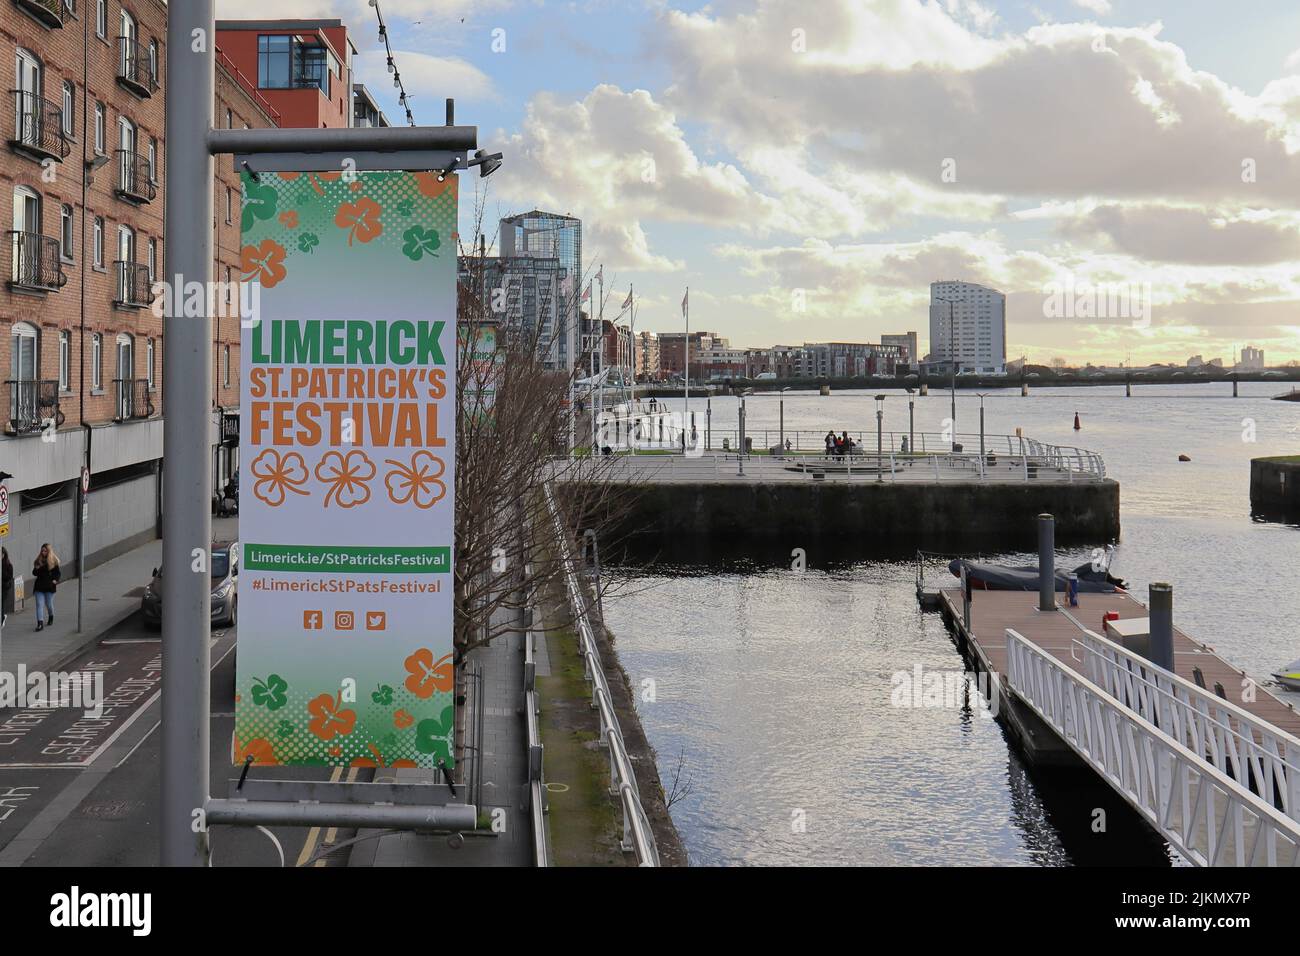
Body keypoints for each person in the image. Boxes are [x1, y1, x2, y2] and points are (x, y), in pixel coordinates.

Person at [32, 543, 60, 632]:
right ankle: (40, 623)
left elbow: (57, 573)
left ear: (49, 551)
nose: (43, 552)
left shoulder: (53, 561)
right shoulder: (38, 561)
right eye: (42, 550)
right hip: (39, 587)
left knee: (49, 605)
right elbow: (34, 573)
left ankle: (51, 616)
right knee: (39, 604)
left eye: (45, 551)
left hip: (49, 586)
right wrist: (37, 568)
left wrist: (55, 580)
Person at [1, 547, 13, 627]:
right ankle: (3, 617)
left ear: (3, 555)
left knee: (1, 604)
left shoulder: (8, 565)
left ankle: (2, 619)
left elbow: (9, 577)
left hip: (3, 588)